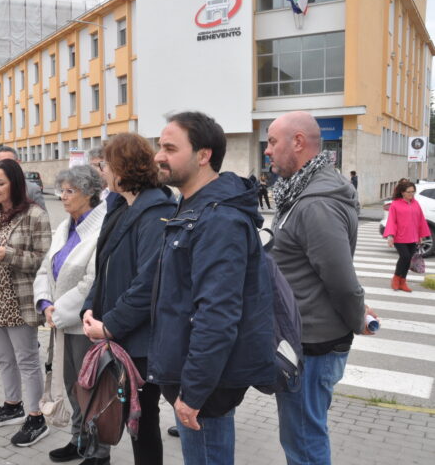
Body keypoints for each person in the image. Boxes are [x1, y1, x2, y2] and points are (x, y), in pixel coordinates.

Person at [148, 112, 275, 465]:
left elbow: (217, 314)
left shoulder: (218, 218)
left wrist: (193, 392)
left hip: (206, 387)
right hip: (195, 377)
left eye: (170, 148)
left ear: (203, 156)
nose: (159, 156)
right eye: (160, 146)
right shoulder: (193, 207)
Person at [265, 111, 378, 465]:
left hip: (312, 345)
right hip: (304, 338)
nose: (267, 151)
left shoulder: (315, 203)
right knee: (302, 436)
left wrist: (357, 314)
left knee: (304, 441)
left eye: (272, 142)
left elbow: (340, 279)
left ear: (298, 142)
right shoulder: (299, 193)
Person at [81, 133, 176, 465]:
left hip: (142, 342)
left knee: (143, 419)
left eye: (105, 164)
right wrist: (89, 308)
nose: (101, 171)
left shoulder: (155, 213)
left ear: (123, 168)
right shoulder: (121, 206)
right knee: (130, 415)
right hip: (117, 333)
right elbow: (104, 267)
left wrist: (109, 326)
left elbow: (149, 283)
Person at [0, 159, 52, 447]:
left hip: (19, 300)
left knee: (27, 360)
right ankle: (12, 405)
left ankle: (36, 417)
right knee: (4, 359)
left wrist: (9, 255)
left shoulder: (35, 215)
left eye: (0, 182)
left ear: (15, 185)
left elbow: (43, 261)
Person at [33, 165, 108, 464]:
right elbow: (44, 268)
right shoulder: (66, 226)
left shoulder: (100, 229)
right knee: (70, 386)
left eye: (69, 191)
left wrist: (59, 312)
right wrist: (44, 304)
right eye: (61, 190)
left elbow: (91, 281)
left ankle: (99, 450)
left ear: (89, 194)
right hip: (60, 324)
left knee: (91, 389)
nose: (61, 196)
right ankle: (78, 439)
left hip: (83, 327)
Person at [383, 180, 431, 292]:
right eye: (409, 192)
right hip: (399, 237)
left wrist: (421, 235)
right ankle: (396, 279)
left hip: (413, 237)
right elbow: (391, 221)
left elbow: (421, 221)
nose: (411, 194)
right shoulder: (395, 204)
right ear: (402, 192)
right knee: (404, 256)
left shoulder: (416, 203)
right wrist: (391, 236)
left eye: (413, 192)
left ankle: (402, 282)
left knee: (408, 259)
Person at [0, 146, 46, 210]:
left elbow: (42, 216)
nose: (4, 167)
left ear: (17, 163)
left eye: (9, 163)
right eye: (0, 163)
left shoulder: (32, 190)